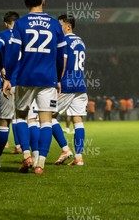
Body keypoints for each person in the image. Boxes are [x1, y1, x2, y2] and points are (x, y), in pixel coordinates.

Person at [2, 0, 66, 174]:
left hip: (25, 77)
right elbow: (62, 54)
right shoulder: (55, 24)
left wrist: (7, 78)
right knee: (46, 121)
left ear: (26, 4)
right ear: (43, 1)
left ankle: (27, 156)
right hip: (48, 79)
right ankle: (41, 164)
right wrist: (59, 77)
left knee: (21, 116)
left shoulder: (20, 24)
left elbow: (13, 54)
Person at [51, 15, 88, 166]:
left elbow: (63, 62)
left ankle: (65, 149)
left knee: (48, 116)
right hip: (80, 84)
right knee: (77, 120)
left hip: (67, 84)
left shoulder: (64, 41)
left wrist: (57, 81)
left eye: (60, 25)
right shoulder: (81, 42)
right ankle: (78, 157)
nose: (57, 29)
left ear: (68, 26)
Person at [0, 11, 21, 168]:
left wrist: (1, 67)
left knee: (4, 122)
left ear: (6, 23)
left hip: (10, 82)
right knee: (29, 121)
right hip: (27, 84)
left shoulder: (4, 34)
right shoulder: (25, 34)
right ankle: (33, 158)